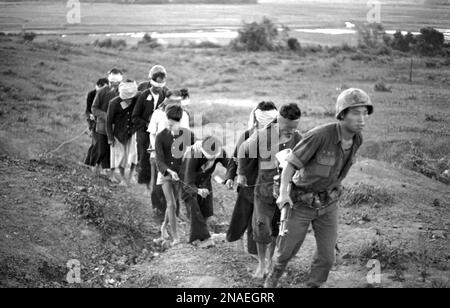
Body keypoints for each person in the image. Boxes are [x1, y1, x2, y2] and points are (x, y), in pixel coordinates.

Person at [265, 88, 374, 288]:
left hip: (328, 204)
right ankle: (271, 281)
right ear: (342, 114)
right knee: (286, 252)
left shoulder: (357, 139)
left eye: (364, 113)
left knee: (327, 257)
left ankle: (313, 285)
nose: (362, 119)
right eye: (356, 113)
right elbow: (290, 164)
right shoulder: (320, 136)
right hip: (301, 203)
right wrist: (282, 194)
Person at [238, 103, 302, 279]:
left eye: (294, 127)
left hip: (286, 192)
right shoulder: (263, 136)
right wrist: (241, 174)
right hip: (263, 190)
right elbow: (243, 150)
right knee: (261, 228)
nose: (290, 131)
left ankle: (270, 260)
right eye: (287, 127)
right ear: (279, 120)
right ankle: (261, 262)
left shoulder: (298, 138)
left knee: (277, 228)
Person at [225, 101, 278, 256]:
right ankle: (245, 245)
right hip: (248, 183)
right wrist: (230, 176)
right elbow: (235, 158)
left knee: (262, 219)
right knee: (245, 216)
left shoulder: (279, 138)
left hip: (267, 187)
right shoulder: (247, 136)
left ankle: (258, 251)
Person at [155, 104, 196, 246]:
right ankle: (176, 237)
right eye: (170, 120)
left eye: (175, 121)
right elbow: (159, 159)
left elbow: (195, 153)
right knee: (171, 204)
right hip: (166, 173)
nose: (172, 123)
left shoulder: (188, 135)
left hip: (181, 174)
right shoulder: (161, 136)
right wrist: (169, 171)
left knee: (175, 203)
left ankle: (164, 226)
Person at [147, 89, 190, 216]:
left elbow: (185, 134)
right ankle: (158, 210)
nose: (176, 103)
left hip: (176, 154)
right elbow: (152, 133)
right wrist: (157, 149)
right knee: (157, 184)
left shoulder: (184, 115)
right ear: (166, 100)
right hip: (158, 153)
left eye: (178, 101)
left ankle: (174, 214)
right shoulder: (158, 114)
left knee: (176, 184)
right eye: (173, 100)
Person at [180, 136, 229, 248]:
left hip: (204, 179)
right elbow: (187, 183)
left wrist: (230, 177)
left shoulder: (219, 151)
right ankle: (199, 238)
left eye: (213, 158)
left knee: (206, 209)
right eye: (209, 158)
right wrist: (197, 190)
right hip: (188, 182)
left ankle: (204, 233)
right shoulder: (192, 155)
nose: (211, 160)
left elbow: (230, 165)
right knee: (194, 208)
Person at [132, 65, 170, 190]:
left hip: (157, 130)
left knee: (155, 154)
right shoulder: (142, 88)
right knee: (142, 153)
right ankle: (142, 180)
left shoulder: (165, 92)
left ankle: (153, 182)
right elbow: (135, 109)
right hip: (143, 127)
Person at [106, 80, 140, 186]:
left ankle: (130, 177)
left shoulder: (137, 100)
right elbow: (108, 121)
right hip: (118, 134)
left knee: (133, 156)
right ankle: (123, 179)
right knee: (120, 158)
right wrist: (110, 138)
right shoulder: (114, 103)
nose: (129, 100)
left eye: (131, 98)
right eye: (127, 99)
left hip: (132, 133)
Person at [91, 69, 124, 178]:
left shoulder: (123, 92)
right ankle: (96, 166)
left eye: (117, 84)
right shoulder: (102, 92)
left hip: (116, 128)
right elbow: (94, 108)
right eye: (112, 84)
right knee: (102, 149)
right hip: (102, 127)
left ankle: (108, 172)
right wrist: (106, 116)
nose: (114, 87)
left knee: (113, 151)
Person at [84, 78, 108, 167]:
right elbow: (88, 109)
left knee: (97, 143)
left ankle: (89, 164)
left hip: (101, 121)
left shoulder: (105, 94)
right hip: (93, 121)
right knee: (96, 143)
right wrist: (90, 115)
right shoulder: (91, 94)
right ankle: (91, 164)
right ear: (99, 86)